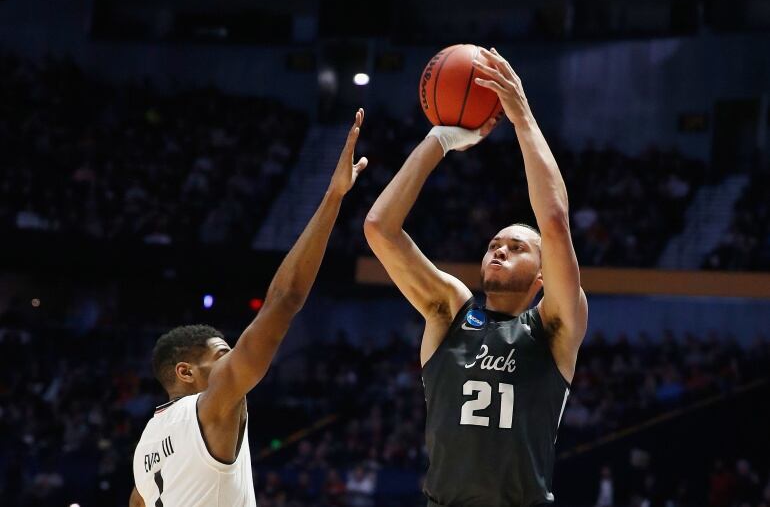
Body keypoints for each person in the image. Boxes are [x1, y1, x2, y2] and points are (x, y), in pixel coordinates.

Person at [364, 48, 588, 506]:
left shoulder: (553, 327)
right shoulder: (449, 310)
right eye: (493, 245)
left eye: (516, 247)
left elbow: (556, 223)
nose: (499, 249)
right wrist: (439, 141)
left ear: (542, 275)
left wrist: (522, 118)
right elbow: (379, 229)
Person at [130, 109, 369, 507]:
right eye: (222, 353)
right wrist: (333, 198)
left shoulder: (148, 443)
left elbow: (139, 501)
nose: (233, 357)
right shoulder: (211, 407)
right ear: (186, 372)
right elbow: (286, 299)